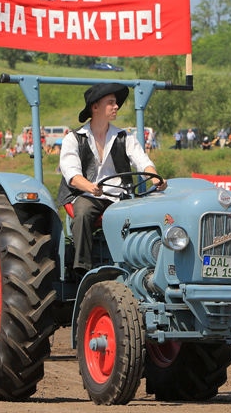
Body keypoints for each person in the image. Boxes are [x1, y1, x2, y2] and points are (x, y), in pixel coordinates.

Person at [58, 83, 166, 279]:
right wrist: (90, 187)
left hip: (119, 197)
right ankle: (82, 268)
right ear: (95, 107)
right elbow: (72, 175)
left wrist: (155, 177)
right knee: (82, 212)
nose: (116, 106)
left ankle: (143, 263)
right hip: (86, 195)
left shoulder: (124, 137)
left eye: (116, 103)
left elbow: (143, 162)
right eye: (111, 103)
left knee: (146, 214)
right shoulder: (74, 138)